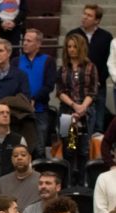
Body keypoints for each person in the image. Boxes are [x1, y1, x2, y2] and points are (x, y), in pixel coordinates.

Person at [57, 32, 98, 187]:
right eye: (69, 46)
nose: (71, 49)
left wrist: (82, 108)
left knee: (83, 150)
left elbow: (93, 91)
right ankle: (68, 183)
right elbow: (60, 91)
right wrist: (74, 106)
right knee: (69, 148)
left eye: (74, 46)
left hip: (86, 113)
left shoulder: (90, 67)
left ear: (81, 48)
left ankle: (82, 183)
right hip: (67, 113)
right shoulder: (63, 69)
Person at [68, 4, 111, 133]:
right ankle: (74, 150)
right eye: (84, 14)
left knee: (97, 125)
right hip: (77, 87)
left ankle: (95, 151)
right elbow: (67, 60)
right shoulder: (73, 34)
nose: (84, 17)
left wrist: (99, 80)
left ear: (97, 20)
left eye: (89, 15)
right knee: (75, 128)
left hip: (98, 87)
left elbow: (109, 62)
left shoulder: (106, 37)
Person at [16, 29, 56, 155]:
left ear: (38, 44)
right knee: (21, 148)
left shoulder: (48, 60)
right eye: (24, 40)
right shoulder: (16, 61)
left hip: (40, 110)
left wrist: (34, 99)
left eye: (29, 41)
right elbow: (14, 84)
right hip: (20, 111)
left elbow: (49, 85)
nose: (25, 43)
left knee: (39, 147)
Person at [0, 144, 40, 212]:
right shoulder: (1, 183)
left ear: (30, 158)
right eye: (15, 156)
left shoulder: (41, 181)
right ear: (12, 159)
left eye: (23, 155)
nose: (19, 158)